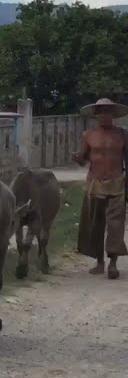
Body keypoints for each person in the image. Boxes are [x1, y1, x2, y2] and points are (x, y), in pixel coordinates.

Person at [72, 97, 128, 279]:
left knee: (116, 225)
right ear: (96, 115)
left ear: (113, 114)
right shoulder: (88, 135)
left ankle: (113, 263)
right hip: (95, 184)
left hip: (117, 183)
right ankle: (99, 262)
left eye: (108, 111)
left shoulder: (122, 135)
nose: (105, 115)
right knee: (95, 224)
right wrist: (77, 158)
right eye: (101, 111)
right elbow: (83, 159)